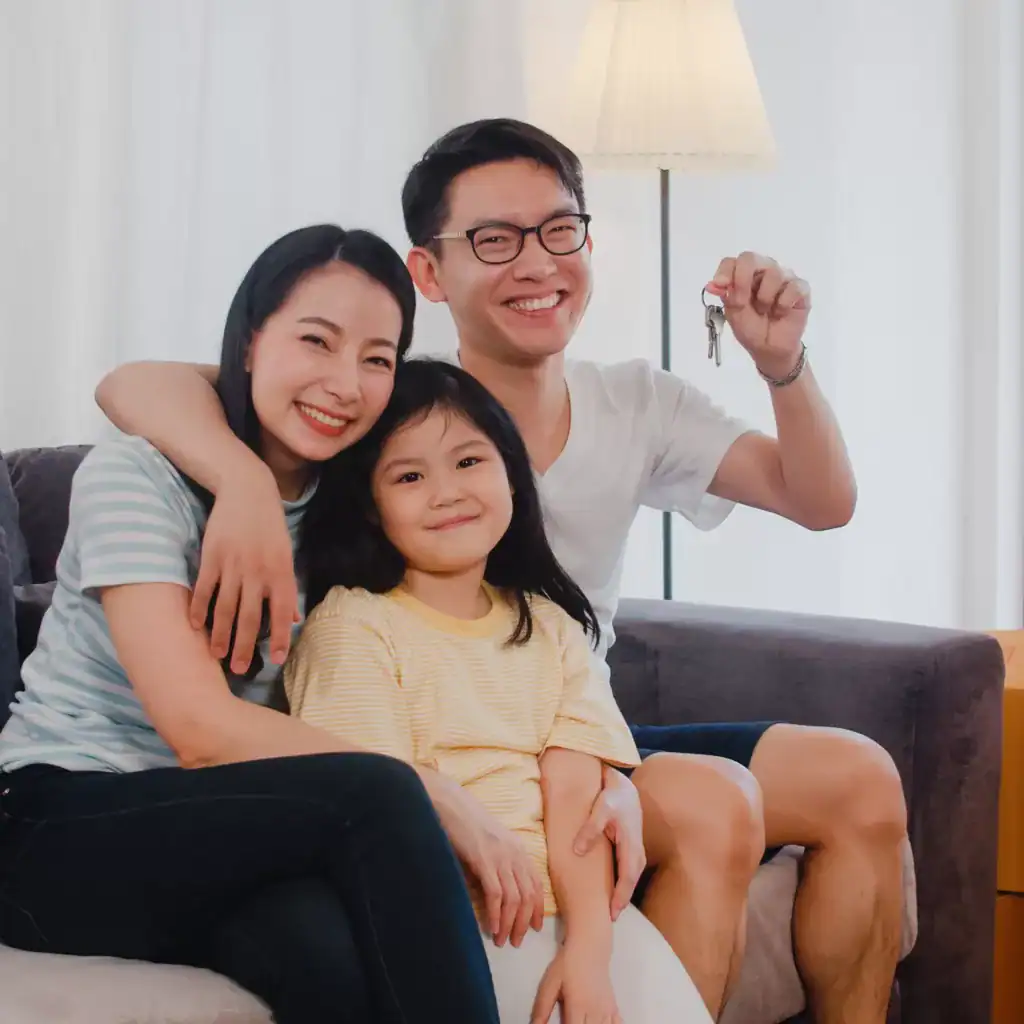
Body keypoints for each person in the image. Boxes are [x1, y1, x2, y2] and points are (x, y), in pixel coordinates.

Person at [94, 120, 909, 1024]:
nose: (536, 263)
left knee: (859, 776)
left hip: (569, 713)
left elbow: (823, 499)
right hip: (451, 737)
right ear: (429, 275)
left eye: (559, 231)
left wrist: (780, 362)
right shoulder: (384, 403)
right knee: (716, 803)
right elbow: (137, 385)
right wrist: (242, 481)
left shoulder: (638, 400)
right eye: (494, 240)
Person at [0, 224, 502, 1024]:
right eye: (317, 341)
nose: (346, 383)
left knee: (326, 958)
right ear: (248, 342)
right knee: (378, 794)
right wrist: (431, 790)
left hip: (225, 824)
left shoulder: (356, 495)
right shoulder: (137, 473)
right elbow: (197, 727)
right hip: (54, 822)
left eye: (377, 357)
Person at [284, 356, 713, 1024]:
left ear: (513, 473)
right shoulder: (353, 625)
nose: (446, 492)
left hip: (573, 919)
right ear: (370, 508)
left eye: (468, 462)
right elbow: (374, 799)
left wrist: (589, 952)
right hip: (452, 929)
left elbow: (576, 794)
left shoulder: (549, 623)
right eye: (409, 476)